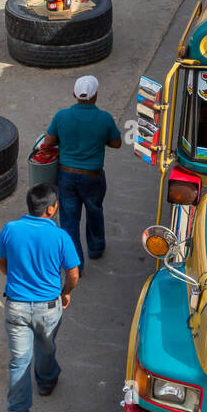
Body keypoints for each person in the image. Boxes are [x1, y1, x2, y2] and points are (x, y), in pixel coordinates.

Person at [0, 183, 81, 412]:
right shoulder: (61, 237)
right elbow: (73, 273)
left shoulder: (11, 229)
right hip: (49, 308)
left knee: (19, 363)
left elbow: (1, 261)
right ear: (51, 209)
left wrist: (17, 278)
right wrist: (66, 292)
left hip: (15, 307)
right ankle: (45, 383)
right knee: (46, 346)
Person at [41, 76, 121, 272]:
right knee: (94, 210)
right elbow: (116, 143)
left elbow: (49, 142)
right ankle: (95, 248)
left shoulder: (62, 116)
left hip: (66, 176)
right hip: (93, 177)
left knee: (69, 219)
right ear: (96, 95)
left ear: (74, 95)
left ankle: (75, 265)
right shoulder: (105, 118)